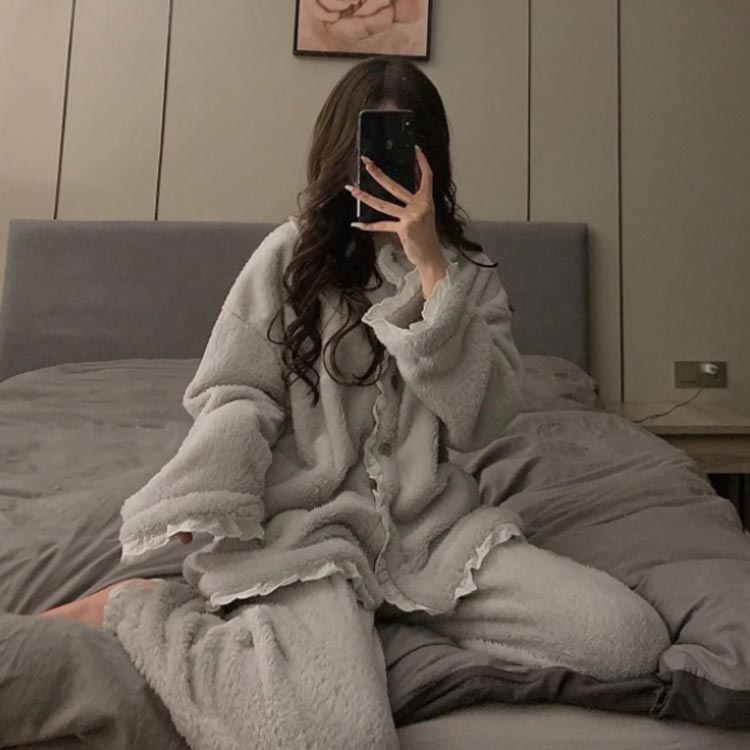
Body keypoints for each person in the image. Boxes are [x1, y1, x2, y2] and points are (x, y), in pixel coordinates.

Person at [40, 58, 670, 750]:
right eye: (369, 149)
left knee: (628, 641)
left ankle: (388, 624)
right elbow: (238, 392)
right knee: (339, 736)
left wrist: (433, 275)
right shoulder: (288, 256)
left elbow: (483, 420)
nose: (383, 169)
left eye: (404, 150)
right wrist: (206, 496)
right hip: (310, 534)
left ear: (431, 159)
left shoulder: (467, 275)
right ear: (341, 151)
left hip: (434, 536)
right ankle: (141, 609)